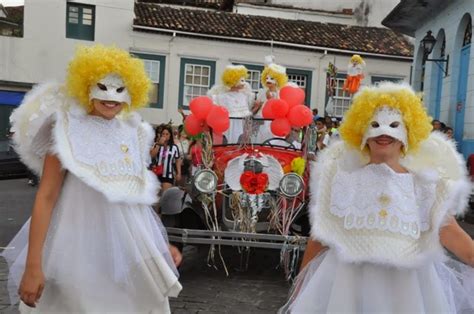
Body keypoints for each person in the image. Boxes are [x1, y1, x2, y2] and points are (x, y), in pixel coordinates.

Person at [2, 45, 182, 313]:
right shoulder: (65, 127)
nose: (111, 96)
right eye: (103, 87)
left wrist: (157, 245)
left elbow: (135, 199)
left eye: (120, 89)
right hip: (75, 252)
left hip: (126, 253)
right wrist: (33, 265)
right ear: (85, 85)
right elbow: (47, 196)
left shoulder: (134, 132)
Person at [280, 82, 474, 313]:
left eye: (394, 125)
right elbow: (322, 234)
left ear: (408, 132)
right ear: (361, 132)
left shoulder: (424, 183)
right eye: (374, 125)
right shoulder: (344, 177)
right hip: (347, 283)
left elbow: (448, 229)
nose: (384, 133)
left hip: (406, 288)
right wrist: (302, 282)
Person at [208, 65, 254, 143]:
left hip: (240, 123)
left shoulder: (244, 96)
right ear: (234, 81)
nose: (244, 83)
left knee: (240, 138)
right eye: (242, 80)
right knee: (230, 139)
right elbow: (216, 102)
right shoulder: (225, 97)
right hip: (229, 123)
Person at [150, 124, 182, 193]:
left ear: (170, 135)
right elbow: (152, 155)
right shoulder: (157, 145)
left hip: (168, 174)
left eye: (167, 134)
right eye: (163, 134)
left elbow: (177, 160)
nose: (165, 135)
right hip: (157, 173)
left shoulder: (174, 147)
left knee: (165, 195)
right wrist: (159, 144)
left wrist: (179, 173)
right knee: (156, 197)